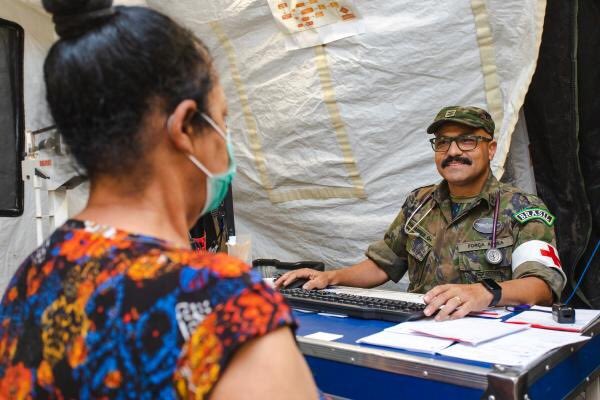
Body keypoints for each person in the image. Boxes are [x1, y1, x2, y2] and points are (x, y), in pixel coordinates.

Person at [0, 1, 322, 399]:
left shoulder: (32, 277)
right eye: (222, 121)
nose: (226, 143)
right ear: (186, 126)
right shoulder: (222, 301)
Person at [277, 106, 566, 321]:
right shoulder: (419, 202)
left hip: (487, 336)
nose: (452, 151)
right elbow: (383, 264)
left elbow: (542, 285)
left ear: (490, 149)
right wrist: (332, 277)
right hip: (417, 328)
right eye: (442, 142)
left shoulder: (523, 208)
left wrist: (486, 293)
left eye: (467, 140)